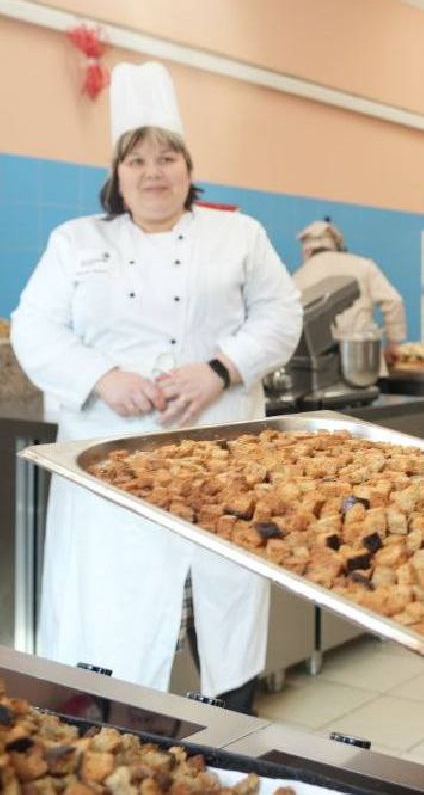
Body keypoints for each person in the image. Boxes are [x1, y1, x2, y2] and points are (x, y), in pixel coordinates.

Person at [12, 62, 302, 712]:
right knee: (114, 607)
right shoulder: (76, 240)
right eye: (137, 160)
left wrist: (220, 369)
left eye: (168, 158)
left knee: (222, 602)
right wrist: (102, 377)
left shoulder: (240, 235)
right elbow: (34, 327)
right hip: (109, 461)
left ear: (189, 170)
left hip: (220, 456)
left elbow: (282, 314)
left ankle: (230, 735)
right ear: (117, 176)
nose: (153, 173)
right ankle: (111, 735)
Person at [293, 220, 406, 369]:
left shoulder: (298, 278)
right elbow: (393, 301)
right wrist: (393, 345)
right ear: (338, 245)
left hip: (324, 368)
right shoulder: (363, 265)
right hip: (366, 363)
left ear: (306, 251)